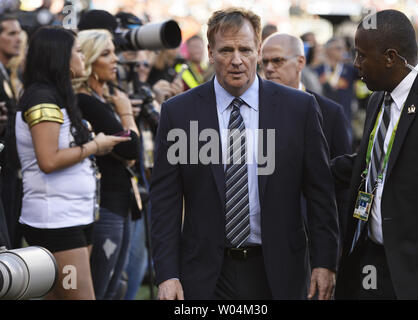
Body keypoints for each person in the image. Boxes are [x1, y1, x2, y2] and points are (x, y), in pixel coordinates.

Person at [150, 7, 339, 300]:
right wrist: (167, 274)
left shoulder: (299, 108)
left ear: (258, 49)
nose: (236, 60)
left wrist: (325, 262)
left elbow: (320, 193)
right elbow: (165, 201)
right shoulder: (179, 113)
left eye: (245, 49)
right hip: (204, 272)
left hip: (279, 268)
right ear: (210, 53)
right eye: (226, 50)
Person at [333, 9, 418, 300]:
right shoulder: (378, 98)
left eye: (361, 55)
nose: (355, 64)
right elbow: (371, 162)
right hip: (370, 256)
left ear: (390, 57)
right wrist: (312, 169)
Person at [15, 26, 129, 299]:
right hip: (56, 221)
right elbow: (49, 159)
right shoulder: (42, 98)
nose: (82, 58)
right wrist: (95, 146)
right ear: (59, 57)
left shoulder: (55, 96)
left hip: (72, 217)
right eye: (77, 51)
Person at [261, 32, 351, 243]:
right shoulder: (249, 111)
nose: (269, 68)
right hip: (261, 239)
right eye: (264, 62)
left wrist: (336, 251)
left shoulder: (330, 113)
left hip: (310, 237)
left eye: (278, 61)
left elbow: (342, 189)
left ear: (300, 62)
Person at [74, 28, 141, 300]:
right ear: (88, 61)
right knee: (101, 289)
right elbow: (132, 147)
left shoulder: (103, 98)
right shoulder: (85, 101)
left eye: (114, 52)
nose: (116, 60)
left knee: (114, 286)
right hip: (106, 206)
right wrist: (126, 113)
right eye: (106, 54)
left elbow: (132, 153)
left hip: (119, 201)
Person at [0, 12, 22, 249]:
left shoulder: (9, 75)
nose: (18, 39)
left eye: (19, 33)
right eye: (11, 33)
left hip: (11, 170)